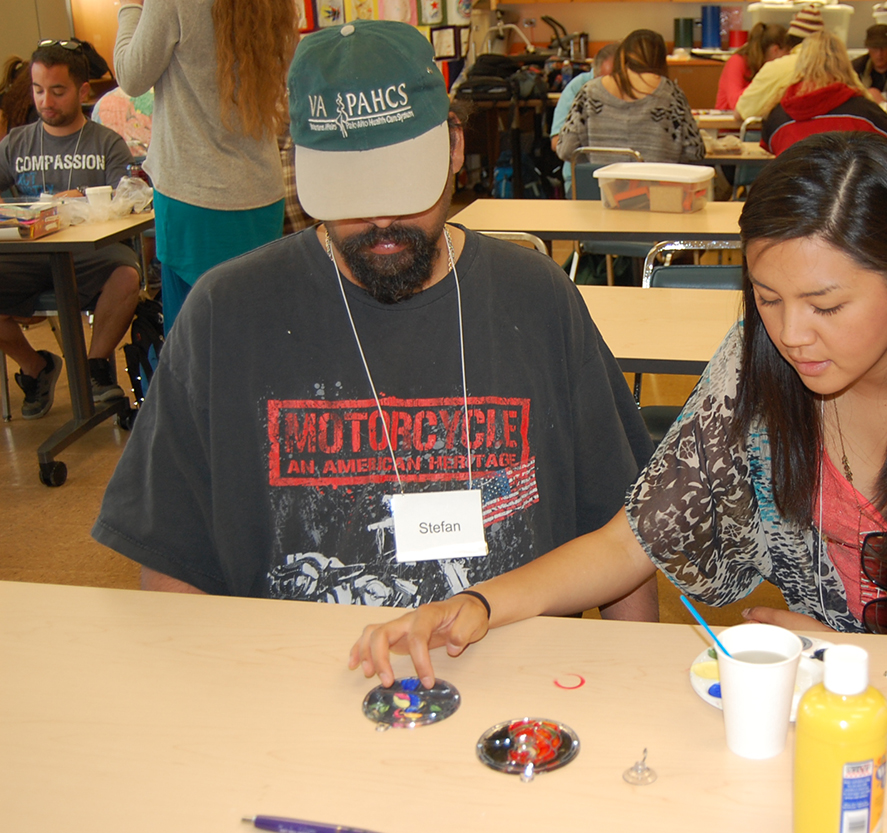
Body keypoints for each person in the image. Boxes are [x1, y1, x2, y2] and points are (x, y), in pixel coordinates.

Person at [347, 132, 887, 688]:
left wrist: (846, 652)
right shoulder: (761, 365)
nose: (794, 335)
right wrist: (480, 603)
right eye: (768, 298)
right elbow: (632, 539)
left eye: (827, 304)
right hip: (843, 714)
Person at [92, 22, 657, 620]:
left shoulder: (539, 301)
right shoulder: (225, 314)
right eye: (351, 190)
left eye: (401, 182)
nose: (382, 218)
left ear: (453, 148)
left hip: (519, 687)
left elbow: (621, 536)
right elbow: (170, 558)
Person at [113, 0, 296, 335]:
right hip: (260, 191)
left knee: (195, 344)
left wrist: (128, 7)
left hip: (194, 193)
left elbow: (131, 75)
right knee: (256, 329)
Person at [0, 39, 140, 418]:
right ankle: (36, 368)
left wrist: (75, 198)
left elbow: (126, 197)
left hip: (91, 254)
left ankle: (95, 369)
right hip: (30, 255)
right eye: (38, 90)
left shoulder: (107, 142)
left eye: (57, 91)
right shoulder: (16, 143)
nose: (46, 101)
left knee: (127, 276)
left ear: (81, 91)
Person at [556, 30, 703, 166]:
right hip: (657, 190)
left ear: (623, 56)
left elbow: (566, 149)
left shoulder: (590, 92)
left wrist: (599, 163)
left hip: (602, 190)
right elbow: (695, 151)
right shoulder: (671, 94)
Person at [760, 31, 887, 155]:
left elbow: (769, 149)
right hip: (849, 184)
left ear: (801, 63)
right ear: (845, 63)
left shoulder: (776, 117)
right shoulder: (868, 115)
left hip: (795, 184)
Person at [549, 42, 618, 196]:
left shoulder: (632, 91)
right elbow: (557, 143)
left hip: (623, 178)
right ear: (595, 73)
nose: (609, 88)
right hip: (585, 176)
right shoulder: (579, 88)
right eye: (603, 81)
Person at [735, 5, 824, 120]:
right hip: (835, 135)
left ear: (790, 41)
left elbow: (740, 113)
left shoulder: (775, 68)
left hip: (788, 135)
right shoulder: (841, 68)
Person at [716, 23, 791, 111]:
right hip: (728, 121)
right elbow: (735, 102)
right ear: (775, 50)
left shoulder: (768, 67)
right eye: (787, 53)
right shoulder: (737, 61)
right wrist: (764, 85)